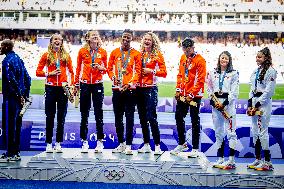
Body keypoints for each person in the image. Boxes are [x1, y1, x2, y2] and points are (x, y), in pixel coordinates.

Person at [36, 33, 74, 153]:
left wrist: (71, 85)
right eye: (55, 39)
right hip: (50, 88)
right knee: (50, 116)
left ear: (62, 42)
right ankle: (48, 143)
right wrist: (49, 74)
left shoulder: (66, 56)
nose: (57, 41)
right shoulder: (46, 55)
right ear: (51, 42)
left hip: (63, 89)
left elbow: (72, 73)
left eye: (59, 39)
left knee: (61, 117)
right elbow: (38, 72)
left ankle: (58, 143)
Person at [107, 29, 141, 155]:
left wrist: (130, 84)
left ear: (131, 39)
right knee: (118, 118)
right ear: (121, 38)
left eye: (128, 38)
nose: (126, 40)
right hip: (117, 89)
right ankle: (121, 143)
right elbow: (109, 69)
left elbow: (138, 72)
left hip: (130, 90)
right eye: (124, 37)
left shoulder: (136, 54)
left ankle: (129, 145)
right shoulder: (115, 52)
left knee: (130, 118)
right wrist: (113, 78)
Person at [171, 37, 206, 157]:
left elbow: (201, 80)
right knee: (178, 116)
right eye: (184, 49)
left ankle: (195, 148)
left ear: (192, 47)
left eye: (188, 49)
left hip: (194, 96)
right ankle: (182, 144)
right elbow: (180, 74)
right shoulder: (183, 58)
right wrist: (178, 90)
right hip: (183, 95)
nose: (186, 52)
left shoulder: (200, 60)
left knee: (194, 119)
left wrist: (191, 95)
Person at [74, 30, 107, 153]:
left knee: (99, 114)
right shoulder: (82, 51)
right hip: (85, 85)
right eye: (93, 35)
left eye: (97, 35)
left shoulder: (102, 52)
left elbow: (106, 69)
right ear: (88, 38)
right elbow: (78, 68)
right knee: (84, 114)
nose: (95, 37)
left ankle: (99, 142)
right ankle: (84, 141)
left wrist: (100, 68)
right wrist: (76, 84)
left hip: (98, 84)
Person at [206, 51, 239, 170]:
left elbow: (234, 92)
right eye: (222, 58)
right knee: (218, 132)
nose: (223, 60)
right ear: (219, 59)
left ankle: (231, 160)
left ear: (229, 60)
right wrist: (214, 101)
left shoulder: (234, 73)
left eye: (226, 58)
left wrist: (224, 103)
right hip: (216, 106)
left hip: (228, 106)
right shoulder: (212, 72)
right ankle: (220, 158)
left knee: (231, 132)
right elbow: (209, 88)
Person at [136, 32, 167, 155]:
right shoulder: (139, 55)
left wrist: (152, 71)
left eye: (149, 39)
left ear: (153, 42)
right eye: (145, 39)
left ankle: (158, 146)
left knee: (151, 117)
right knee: (142, 118)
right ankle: (147, 144)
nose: (147, 41)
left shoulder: (157, 55)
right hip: (139, 89)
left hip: (151, 88)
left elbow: (164, 72)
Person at [246, 47, 277, 171]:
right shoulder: (256, 71)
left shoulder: (271, 71)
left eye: (259, 57)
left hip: (263, 104)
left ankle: (268, 162)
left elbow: (269, 91)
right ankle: (258, 159)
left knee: (262, 132)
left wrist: (258, 104)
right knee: (255, 132)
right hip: (254, 102)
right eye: (257, 57)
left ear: (266, 58)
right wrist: (250, 102)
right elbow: (251, 88)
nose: (257, 59)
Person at [0, 39, 31, 161]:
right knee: (17, 125)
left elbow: (10, 80)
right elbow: (28, 78)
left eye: (1, 46)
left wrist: (19, 95)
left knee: (9, 125)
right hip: (19, 99)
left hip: (11, 98)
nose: (0, 48)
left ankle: (10, 154)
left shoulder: (6, 60)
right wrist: (25, 95)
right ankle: (17, 152)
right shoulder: (18, 58)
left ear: (7, 47)